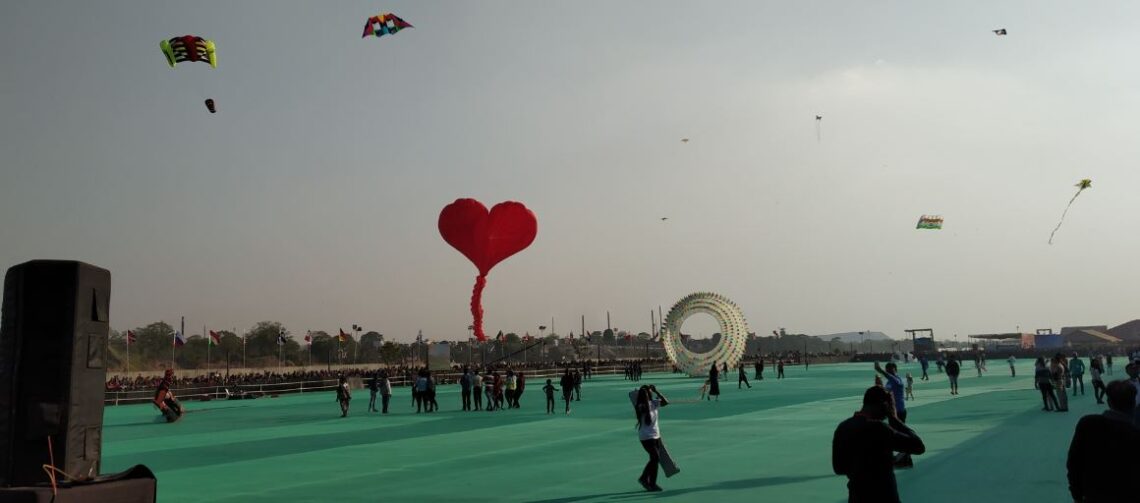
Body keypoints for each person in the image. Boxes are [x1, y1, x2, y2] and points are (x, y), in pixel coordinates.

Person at [832, 386, 926, 503]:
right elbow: (918, 446)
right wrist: (895, 419)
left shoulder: (843, 427)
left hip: (857, 496)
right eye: (890, 405)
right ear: (884, 404)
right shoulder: (879, 428)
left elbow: (838, 468)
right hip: (883, 496)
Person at [1066, 380, 1140, 503]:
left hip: (1092, 496)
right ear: (1133, 404)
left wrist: (1077, 495)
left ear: (1109, 402)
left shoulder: (1087, 424)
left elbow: (1074, 462)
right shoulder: (1135, 434)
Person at [633, 385, 671, 492]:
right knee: (655, 458)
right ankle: (647, 481)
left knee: (654, 459)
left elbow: (666, 402)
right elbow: (644, 406)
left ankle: (647, 480)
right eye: (649, 392)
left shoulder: (654, 403)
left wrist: (657, 391)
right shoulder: (640, 406)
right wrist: (643, 394)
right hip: (646, 437)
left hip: (656, 435)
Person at [874, 361, 912, 468]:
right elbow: (885, 393)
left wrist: (881, 370)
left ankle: (905, 458)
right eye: (887, 370)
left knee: (900, 435)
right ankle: (903, 458)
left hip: (899, 411)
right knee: (894, 435)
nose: (889, 371)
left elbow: (892, 379)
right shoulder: (889, 383)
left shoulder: (897, 380)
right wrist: (879, 384)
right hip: (892, 412)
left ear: (895, 370)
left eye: (891, 369)